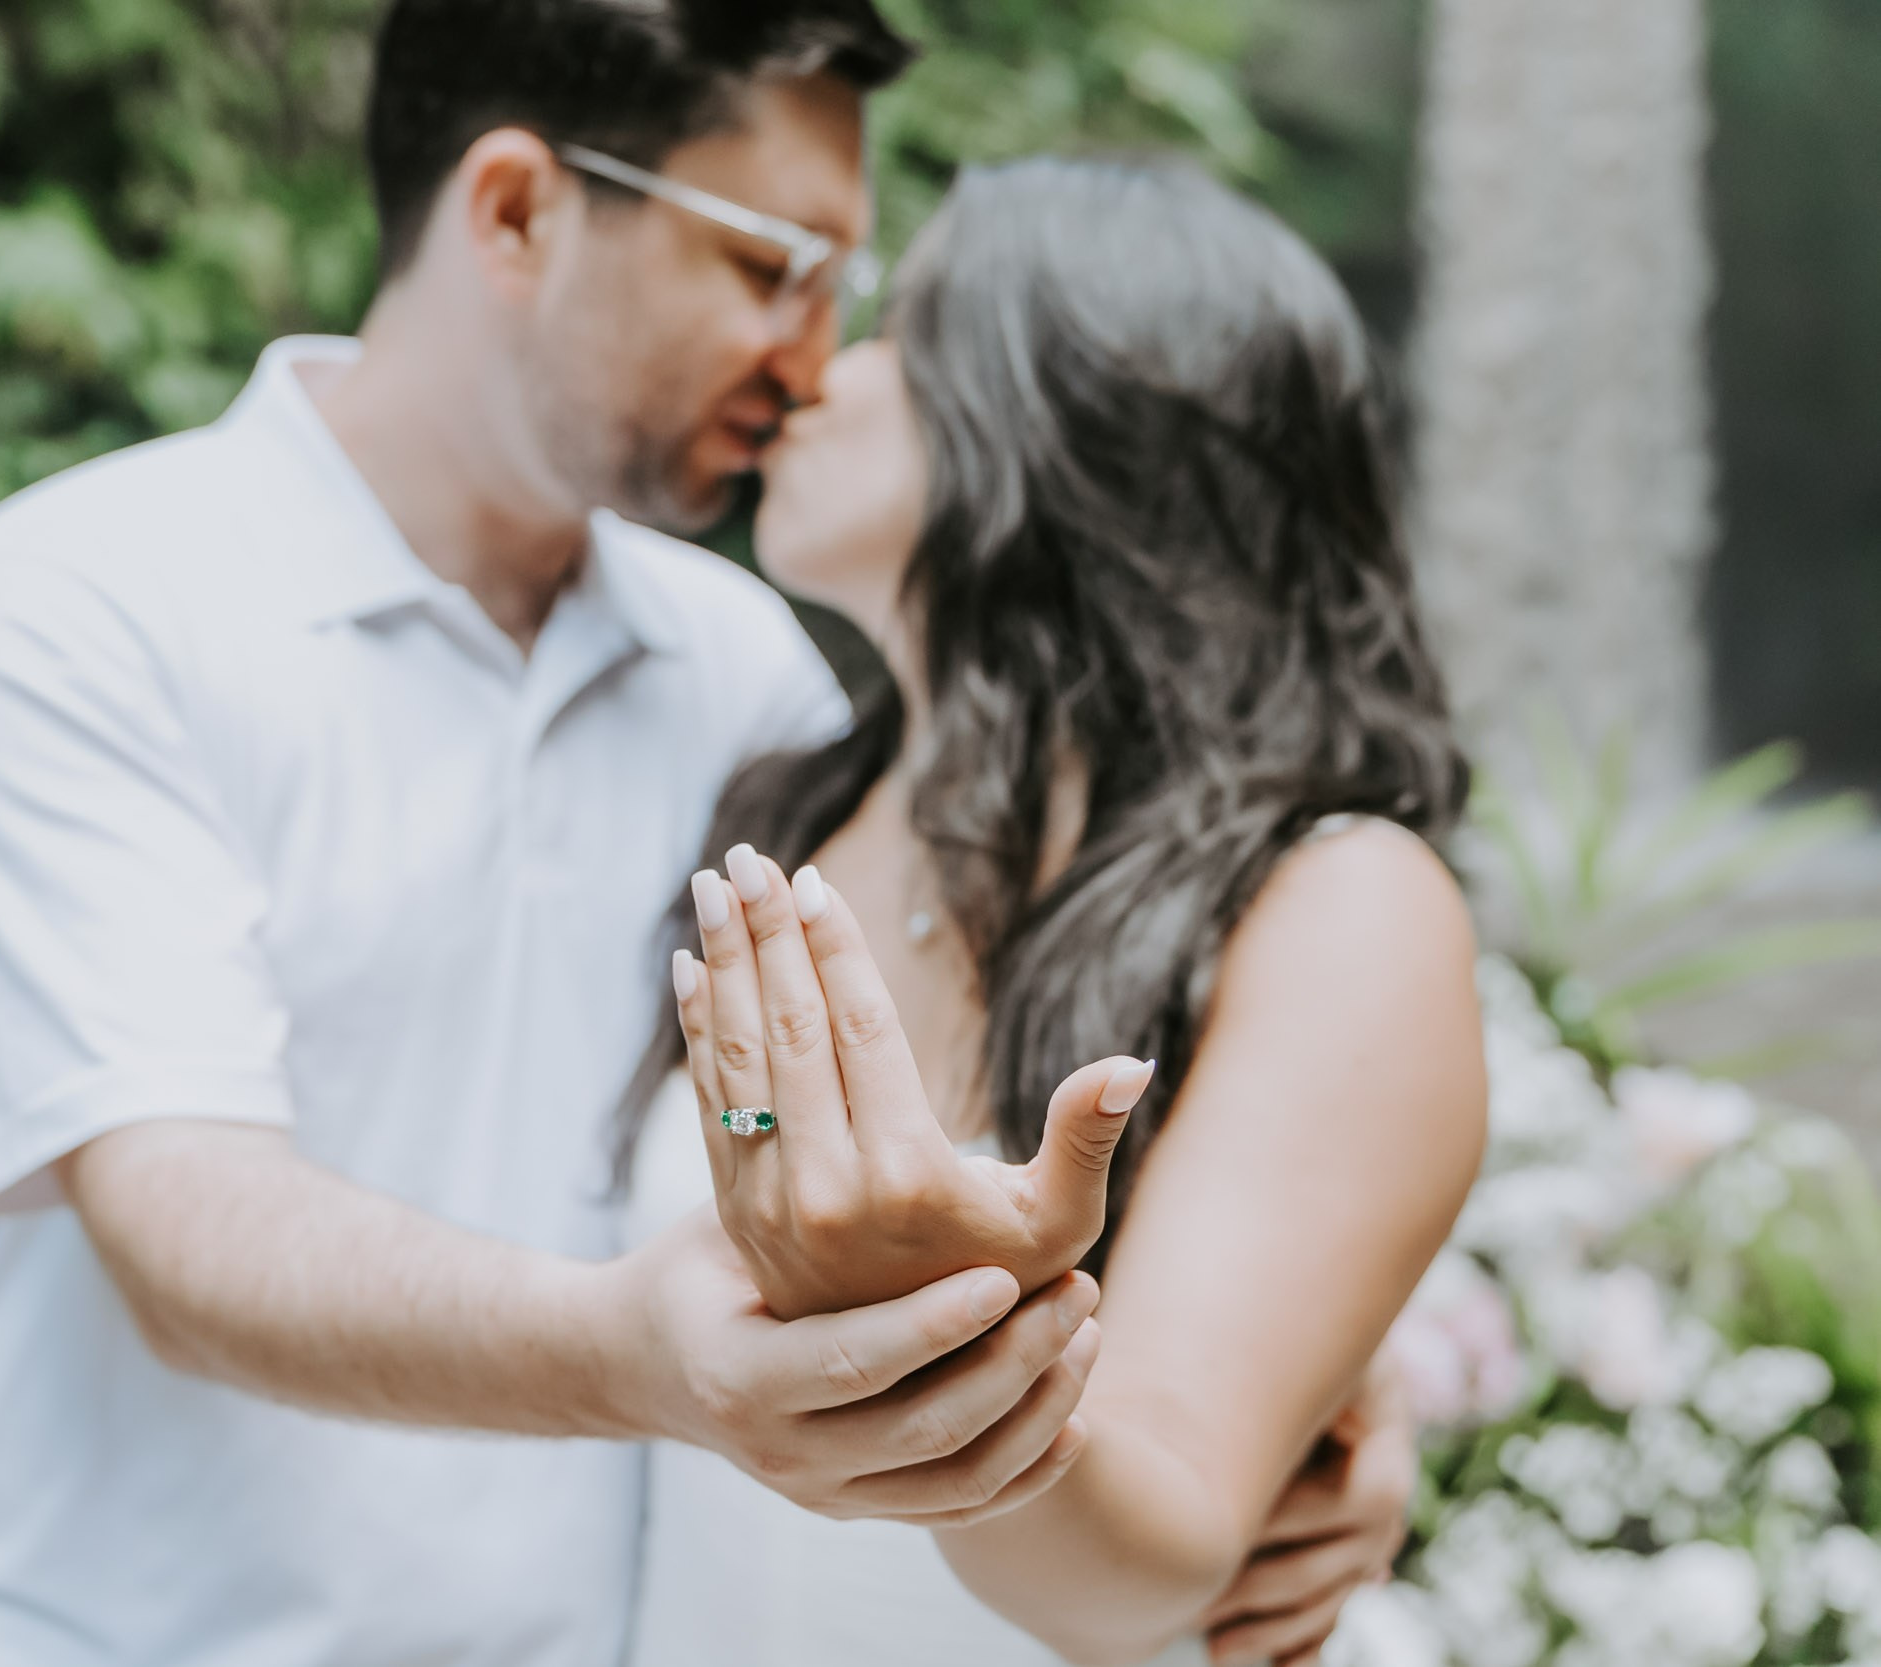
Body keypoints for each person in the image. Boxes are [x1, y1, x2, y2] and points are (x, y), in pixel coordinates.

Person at [0, 0, 1420, 1659]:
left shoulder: (745, 677)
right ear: (517, 211)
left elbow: (1114, 1037)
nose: (815, 355)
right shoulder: (82, 605)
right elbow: (183, 1227)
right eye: (772, 266)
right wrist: (639, 1352)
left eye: (848, 291)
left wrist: (1309, 1383)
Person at [618, 157, 1488, 1667]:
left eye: (903, 323)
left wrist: (923, 1339)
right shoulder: (776, 809)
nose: (821, 366)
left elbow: (1142, 1579)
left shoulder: (1337, 905)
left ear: (1074, 412)